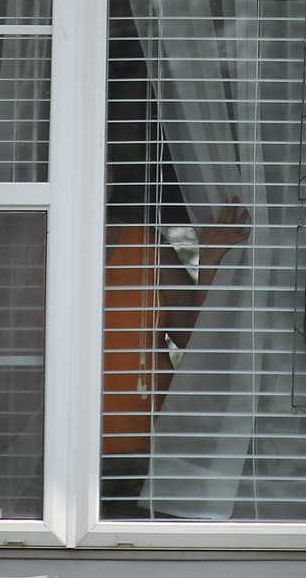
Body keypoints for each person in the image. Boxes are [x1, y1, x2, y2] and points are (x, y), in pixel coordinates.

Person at [102, 171, 250, 513]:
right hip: (63, 452)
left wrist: (210, 258)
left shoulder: (143, 245)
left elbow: (193, 338)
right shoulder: (38, 241)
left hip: (149, 449)